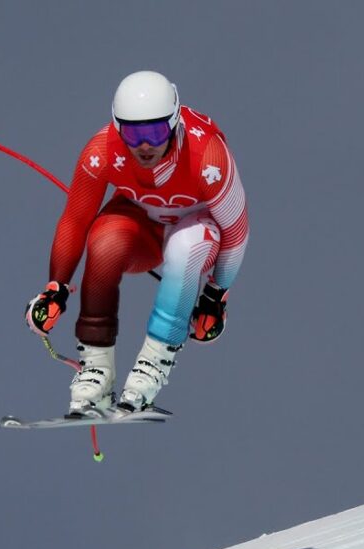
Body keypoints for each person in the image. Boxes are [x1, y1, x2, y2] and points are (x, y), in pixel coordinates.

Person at [25, 71, 249, 416]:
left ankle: (153, 364)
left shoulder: (208, 158)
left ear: (174, 124)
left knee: (186, 245)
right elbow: (75, 220)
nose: (145, 145)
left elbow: (236, 229)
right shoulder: (102, 151)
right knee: (105, 239)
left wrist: (216, 294)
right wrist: (55, 286)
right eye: (132, 133)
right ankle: (96, 370)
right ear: (117, 128)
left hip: (197, 229)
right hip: (143, 230)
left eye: (156, 131)